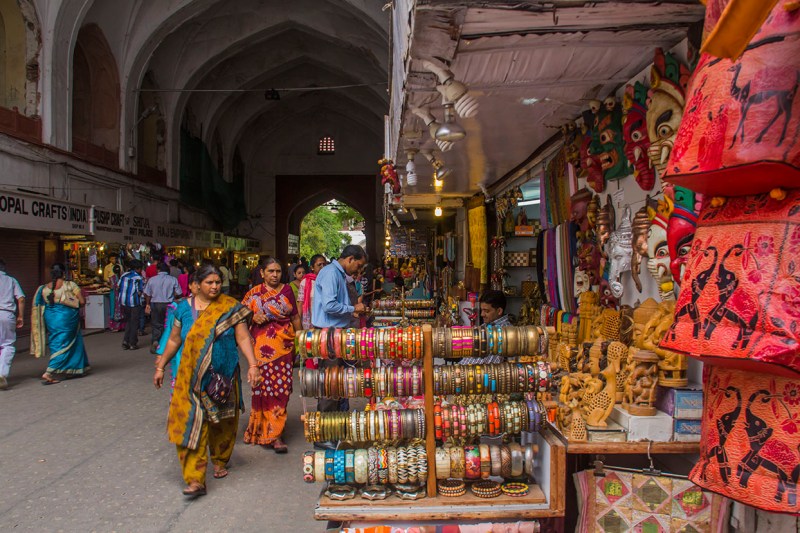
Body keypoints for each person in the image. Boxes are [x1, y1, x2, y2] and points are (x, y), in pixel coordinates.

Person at [153, 264, 260, 498]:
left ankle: (220, 459)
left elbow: (243, 337)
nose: (214, 286)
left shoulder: (230, 307)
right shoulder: (182, 309)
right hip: (190, 378)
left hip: (223, 375)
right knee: (191, 424)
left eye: (217, 282)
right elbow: (173, 340)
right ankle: (195, 479)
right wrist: (160, 366)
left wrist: (253, 365)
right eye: (209, 282)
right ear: (196, 285)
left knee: (223, 422)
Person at [241, 257, 300, 453]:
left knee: (281, 388)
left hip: (284, 346)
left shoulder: (287, 290)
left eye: (278, 271)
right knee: (264, 388)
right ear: (262, 273)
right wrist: (253, 316)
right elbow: (239, 317)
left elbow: (295, 317)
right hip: (261, 348)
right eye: (271, 271)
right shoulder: (253, 293)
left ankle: (275, 429)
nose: (275, 275)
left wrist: (302, 341)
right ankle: (271, 434)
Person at [312, 245, 367, 449]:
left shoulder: (338, 273)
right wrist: (353, 309)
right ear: (350, 258)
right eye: (358, 265)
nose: (358, 270)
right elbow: (329, 305)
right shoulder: (331, 274)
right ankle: (323, 436)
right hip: (329, 334)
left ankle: (333, 431)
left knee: (336, 385)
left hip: (336, 333)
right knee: (329, 384)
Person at [31, 263, 90, 384]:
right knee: (65, 343)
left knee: (56, 342)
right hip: (67, 319)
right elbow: (82, 302)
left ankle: (71, 368)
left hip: (51, 319)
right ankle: (49, 372)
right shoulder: (70, 285)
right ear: (64, 273)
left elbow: (38, 305)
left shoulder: (43, 288)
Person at [461, 290, 510, 365]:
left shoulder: (504, 331)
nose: (482, 314)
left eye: (486, 311)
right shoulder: (485, 325)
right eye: (482, 310)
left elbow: (487, 364)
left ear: (499, 311)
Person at [144, 262, 183, 353]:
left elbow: (147, 294)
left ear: (158, 270)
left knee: (156, 324)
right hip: (169, 304)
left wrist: (147, 304)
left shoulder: (152, 280)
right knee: (168, 324)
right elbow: (179, 293)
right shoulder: (173, 279)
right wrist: (174, 297)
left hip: (155, 304)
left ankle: (156, 341)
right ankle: (167, 344)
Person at [0, 259, 25, 390]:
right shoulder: (11, 280)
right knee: (7, 344)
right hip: (6, 314)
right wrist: (20, 316)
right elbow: (21, 299)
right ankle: (2, 374)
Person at [118, 259, 144, 350]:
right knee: (134, 322)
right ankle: (133, 343)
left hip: (124, 302)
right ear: (138, 268)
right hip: (134, 302)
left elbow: (118, 286)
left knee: (128, 321)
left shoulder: (124, 275)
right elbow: (140, 291)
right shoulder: (138, 278)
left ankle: (125, 341)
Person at [297, 254, 326, 331]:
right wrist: (298, 323)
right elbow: (300, 303)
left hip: (326, 321)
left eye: (324, 264)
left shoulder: (329, 280)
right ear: (312, 267)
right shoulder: (305, 282)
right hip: (310, 321)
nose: (322, 267)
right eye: (319, 265)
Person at [107, 264, 125, 332]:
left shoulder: (111, 278)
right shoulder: (122, 278)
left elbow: (111, 287)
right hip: (121, 295)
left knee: (114, 309)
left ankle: (115, 326)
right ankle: (122, 326)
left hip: (114, 295)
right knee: (121, 309)